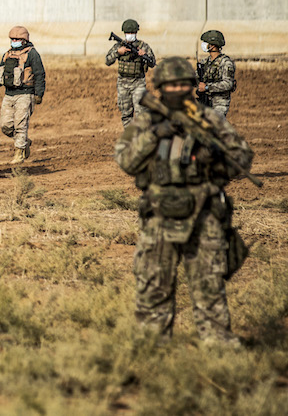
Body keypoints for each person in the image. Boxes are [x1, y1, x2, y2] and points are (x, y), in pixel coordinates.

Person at [115, 56, 254, 345]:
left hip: (204, 214)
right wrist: (155, 135)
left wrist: (213, 156)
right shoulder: (148, 120)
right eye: (171, 85)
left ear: (192, 86)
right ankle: (152, 347)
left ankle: (216, 344)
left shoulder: (209, 119)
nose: (178, 90)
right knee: (154, 284)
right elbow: (126, 160)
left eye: (183, 84)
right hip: (159, 215)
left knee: (208, 284)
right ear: (161, 87)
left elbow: (241, 156)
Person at [0, 26, 45, 164]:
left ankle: (19, 153)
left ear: (24, 40)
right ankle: (24, 141)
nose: (14, 41)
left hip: (25, 94)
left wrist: (39, 94)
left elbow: (39, 74)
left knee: (20, 125)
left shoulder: (32, 54)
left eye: (17, 39)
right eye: (12, 39)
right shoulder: (7, 54)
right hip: (8, 94)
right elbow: (2, 73)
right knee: (5, 126)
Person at [106, 19, 157, 127]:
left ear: (136, 33)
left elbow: (152, 63)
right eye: (128, 33)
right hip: (123, 84)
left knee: (141, 112)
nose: (130, 35)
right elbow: (107, 61)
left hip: (138, 83)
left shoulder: (143, 46)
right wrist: (117, 53)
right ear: (124, 33)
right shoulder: (119, 46)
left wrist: (144, 55)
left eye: (132, 33)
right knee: (126, 113)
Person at [197, 30, 236, 117]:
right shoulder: (204, 62)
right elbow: (194, 78)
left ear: (213, 45)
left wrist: (207, 87)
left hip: (220, 103)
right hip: (205, 100)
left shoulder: (226, 63)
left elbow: (228, 84)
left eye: (206, 42)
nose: (203, 44)